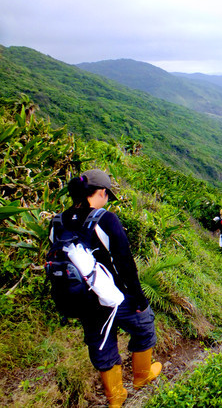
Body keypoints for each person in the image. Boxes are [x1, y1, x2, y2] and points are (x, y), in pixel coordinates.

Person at [51, 169, 161, 408]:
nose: (107, 199)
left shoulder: (57, 222)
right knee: (144, 326)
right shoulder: (105, 219)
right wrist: (140, 299)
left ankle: (116, 397)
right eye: (107, 194)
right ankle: (142, 377)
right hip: (114, 297)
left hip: (82, 299)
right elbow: (125, 264)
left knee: (100, 342)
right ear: (100, 192)